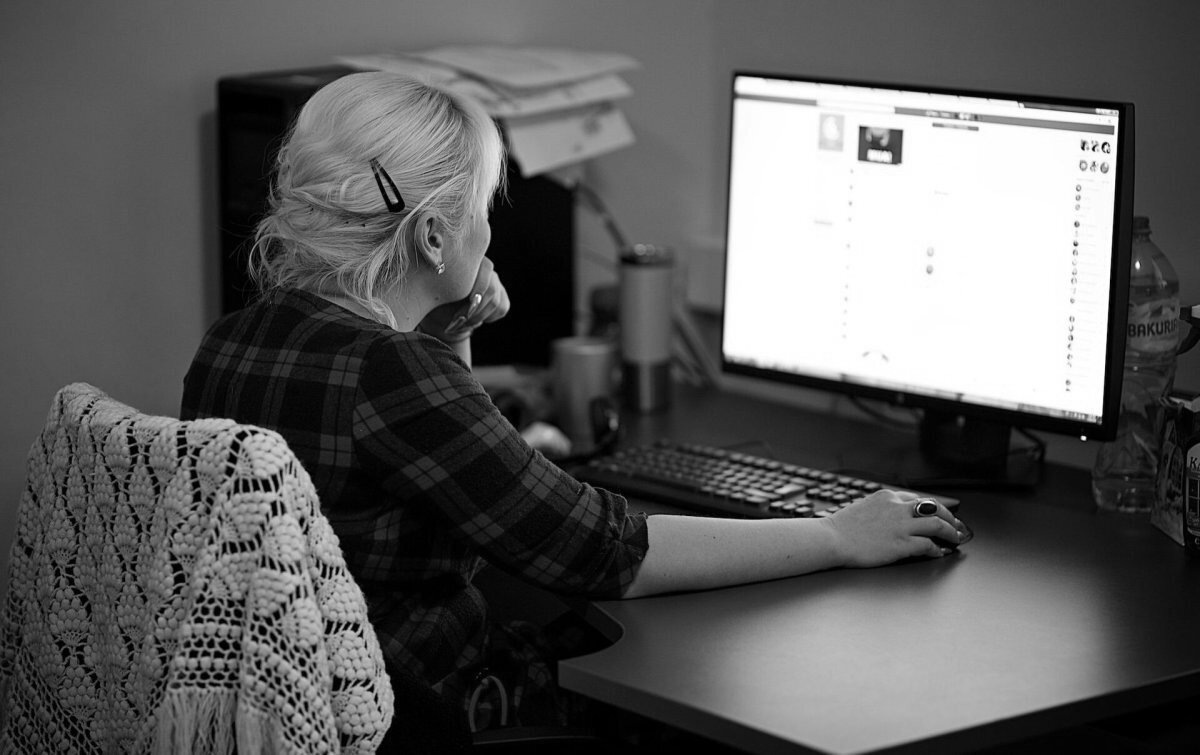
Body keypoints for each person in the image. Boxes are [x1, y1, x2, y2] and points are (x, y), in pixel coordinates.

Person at [181, 71, 966, 749]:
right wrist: (836, 534)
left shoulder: (231, 341)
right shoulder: (392, 375)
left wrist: (452, 327)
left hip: (296, 717)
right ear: (434, 238)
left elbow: (460, 479)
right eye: (482, 207)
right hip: (423, 711)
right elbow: (603, 552)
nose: (490, 228)